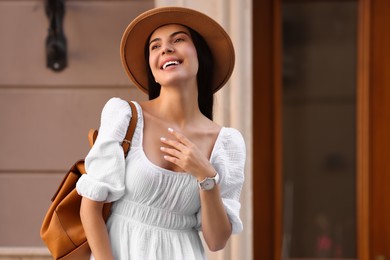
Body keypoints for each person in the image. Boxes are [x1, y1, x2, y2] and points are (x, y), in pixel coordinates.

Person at [76, 6, 246, 260]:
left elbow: (216, 240)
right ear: (153, 70)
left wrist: (206, 176)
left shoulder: (227, 142)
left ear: (201, 56)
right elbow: (90, 208)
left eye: (178, 39)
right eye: (155, 46)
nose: (165, 48)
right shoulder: (124, 115)